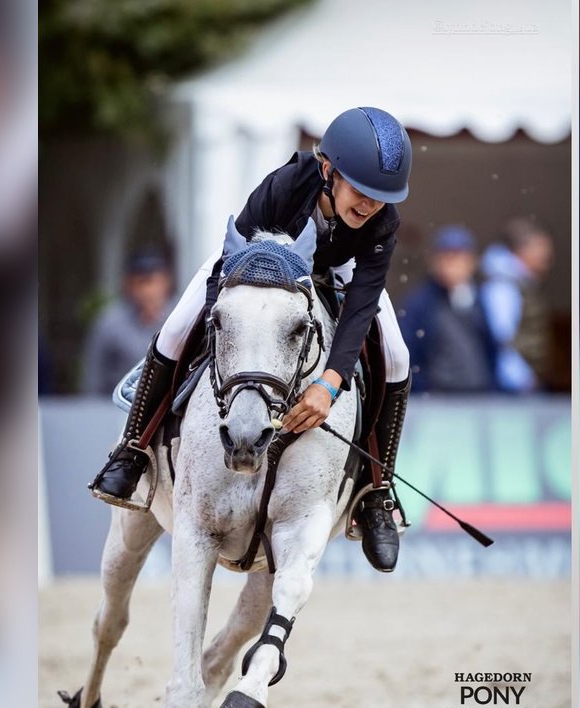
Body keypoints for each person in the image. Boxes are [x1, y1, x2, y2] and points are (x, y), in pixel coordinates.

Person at [88, 107, 413, 572]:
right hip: (253, 264)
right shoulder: (286, 184)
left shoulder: (383, 223)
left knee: (397, 355)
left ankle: (377, 492)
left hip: (336, 275)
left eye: (383, 198)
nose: (370, 206)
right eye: (361, 191)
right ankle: (134, 451)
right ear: (329, 172)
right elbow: (234, 264)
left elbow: (361, 306)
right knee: (179, 324)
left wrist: (330, 382)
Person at [401, 225, 496, 393]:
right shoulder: (420, 302)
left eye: (459, 257)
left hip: (479, 395)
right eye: (446, 257)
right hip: (437, 398)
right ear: (433, 262)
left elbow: (490, 347)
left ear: (472, 262)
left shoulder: (481, 297)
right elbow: (408, 353)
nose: (452, 265)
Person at [82, 249, 174, 395]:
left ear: (166, 283)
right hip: (117, 409)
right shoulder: (110, 323)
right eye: (142, 283)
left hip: (170, 410)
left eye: (154, 282)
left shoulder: (179, 320)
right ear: (129, 285)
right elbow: (94, 379)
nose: (148, 291)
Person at [480, 218, 553, 393]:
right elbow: (502, 338)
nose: (548, 254)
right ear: (521, 250)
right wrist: (522, 379)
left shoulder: (522, 282)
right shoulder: (503, 285)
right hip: (514, 385)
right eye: (540, 247)